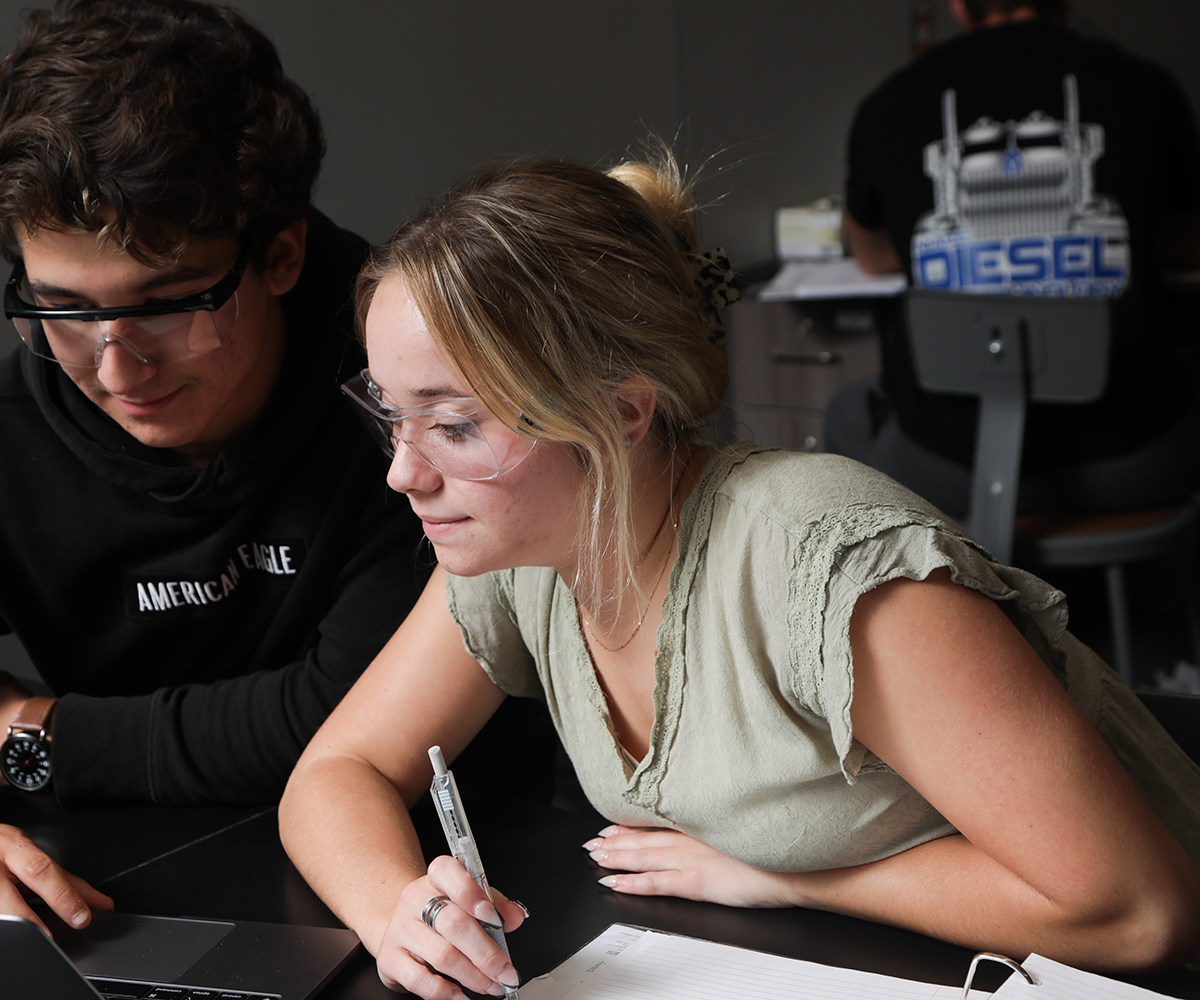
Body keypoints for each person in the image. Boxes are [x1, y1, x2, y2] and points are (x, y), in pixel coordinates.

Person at [277, 152, 1200, 1000]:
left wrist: (790, 881)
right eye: (391, 416)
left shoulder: (826, 571)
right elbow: (338, 772)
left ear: (623, 411)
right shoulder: (524, 547)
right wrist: (400, 911)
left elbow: (1136, 913)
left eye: (455, 425)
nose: (404, 472)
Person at [0, 0, 429, 933]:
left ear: (280, 253)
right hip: (120, 908)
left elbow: (356, 721)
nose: (116, 368)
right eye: (61, 308)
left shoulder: (418, 395)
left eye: (167, 303)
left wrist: (34, 740)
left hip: (435, 890)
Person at [831, 0, 1200, 514]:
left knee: (846, 413)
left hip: (948, 463)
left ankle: (922, 587)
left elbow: (874, 258)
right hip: (1130, 458)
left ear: (959, 6)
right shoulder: (1145, 85)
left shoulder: (889, 102)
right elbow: (1188, 244)